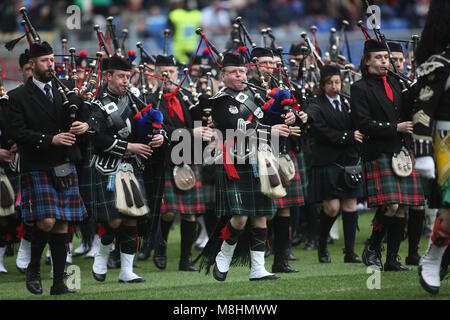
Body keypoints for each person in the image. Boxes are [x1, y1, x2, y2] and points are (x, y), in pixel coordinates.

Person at [197, 52, 295, 282]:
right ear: (223, 76)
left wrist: (287, 115)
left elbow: (270, 116)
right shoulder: (220, 100)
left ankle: (258, 269)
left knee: (261, 215)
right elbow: (236, 127)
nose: (239, 75)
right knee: (239, 217)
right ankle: (224, 255)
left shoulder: (257, 94)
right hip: (233, 161)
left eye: (241, 71)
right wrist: (271, 130)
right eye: (233, 72)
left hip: (259, 159)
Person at [7, 41, 88, 295]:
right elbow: (17, 132)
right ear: (32, 65)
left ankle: (58, 283)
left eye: (52, 60)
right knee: (46, 221)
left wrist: (83, 126)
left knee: (62, 224)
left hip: (63, 163)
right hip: (38, 165)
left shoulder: (65, 91)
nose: (51, 65)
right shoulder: (17, 96)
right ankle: (33, 269)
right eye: (45, 61)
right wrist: (49, 139)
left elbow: (86, 116)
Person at [352, 39, 425, 272]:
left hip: (401, 150)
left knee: (403, 206)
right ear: (367, 61)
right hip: (379, 151)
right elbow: (363, 123)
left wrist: (419, 90)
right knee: (391, 205)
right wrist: (395, 128)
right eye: (379, 58)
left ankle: (392, 259)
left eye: (387, 58)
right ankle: (373, 246)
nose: (385, 61)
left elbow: (408, 110)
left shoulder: (396, 83)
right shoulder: (360, 88)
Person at [90, 55, 162, 283]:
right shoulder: (97, 103)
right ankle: (101, 255)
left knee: (132, 217)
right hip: (107, 167)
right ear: (107, 76)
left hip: (132, 166)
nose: (125, 81)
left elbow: (153, 122)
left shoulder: (134, 99)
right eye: (121, 76)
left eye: (128, 77)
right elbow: (96, 138)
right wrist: (127, 146)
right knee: (114, 219)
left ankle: (126, 271)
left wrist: (160, 135)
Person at [149, 54, 208, 272]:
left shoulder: (186, 99)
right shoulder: (149, 99)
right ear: (154, 75)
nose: (168, 76)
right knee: (168, 212)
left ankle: (185, 260)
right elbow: (160, 130)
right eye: (163, 72)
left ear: (178, 74)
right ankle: (161, 248)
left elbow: (199, 123)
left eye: (172, 72)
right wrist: (192, 132)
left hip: (187, 157)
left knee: (190, 212)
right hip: (165, 160)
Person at [412, 0, 450, 294]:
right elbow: (423, 111)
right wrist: (422, 153)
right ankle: (433, 256)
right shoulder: (441, 65)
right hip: (447, 142)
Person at [308, 64, 364, 264]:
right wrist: (349, 135)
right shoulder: (316, 104)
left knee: (350, 204)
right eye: (330, 83)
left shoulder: (349, 102)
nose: (334, 86)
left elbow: (361, 123)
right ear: (322, 85)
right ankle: (322, 243)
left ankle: (349, 252)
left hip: (349, 160)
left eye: (337, 82)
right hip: (327, 159)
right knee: (331, 208)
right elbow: (321, 130)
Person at [387, 41, 427, 266]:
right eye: (394, 60)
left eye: (401, 60)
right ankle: (391, 255)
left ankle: (413, 252)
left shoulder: (407, 83)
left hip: (413, 145)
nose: (397, 64)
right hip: (394, 146)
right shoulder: (387, 86)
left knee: (418, 203)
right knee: (398, 205)